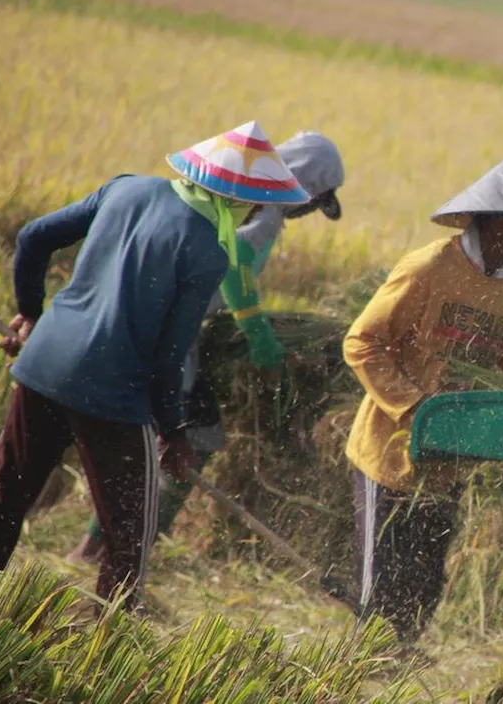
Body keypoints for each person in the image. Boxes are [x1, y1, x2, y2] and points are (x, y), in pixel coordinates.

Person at [0, 121, 311, 611]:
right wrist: (174, 431)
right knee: (128, 535)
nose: (255, 211)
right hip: (112, 392)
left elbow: (33, 237)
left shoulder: (125, 188)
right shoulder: (207, 251)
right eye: (256, 202)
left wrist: (31, 313)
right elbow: (168, 356)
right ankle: (107, 649)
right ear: (235, 198)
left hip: (44, 365)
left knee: (2, 495)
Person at [338, 141, 503, 642]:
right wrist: (415, 408)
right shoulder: (428, 268)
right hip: (390, 452)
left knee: (425, 580)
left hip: (455, 457)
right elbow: (362, 342)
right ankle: (363, 668)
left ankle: (403, 659)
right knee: (381, 581)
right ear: (492, 220)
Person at [65, 130, 346, 566]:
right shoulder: (264, 210)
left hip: (170, 320)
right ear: (307, 183)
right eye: (315, 200)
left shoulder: (247, 199)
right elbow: (236, 269)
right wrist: (261, 341)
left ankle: (103, 548)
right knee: (190, 440)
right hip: (177, 329)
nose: (309, 211)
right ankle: (116, 550)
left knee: (153, 442)